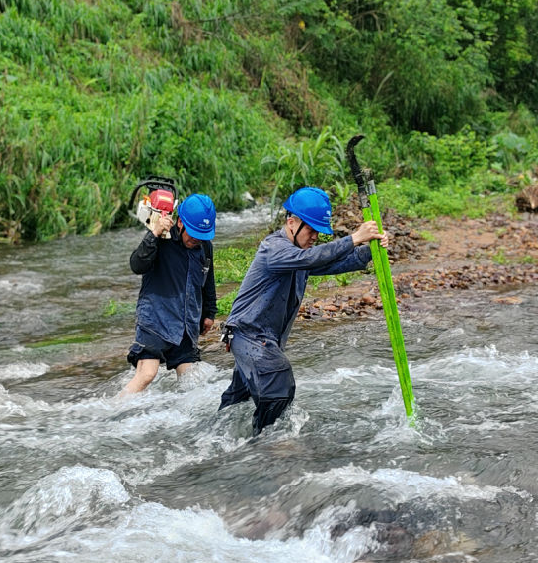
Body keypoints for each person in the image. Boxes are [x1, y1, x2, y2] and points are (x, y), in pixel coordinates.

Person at [218, 186, 388, 435]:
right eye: (311, 229)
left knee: (237, 400)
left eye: (318, 232)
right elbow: (312, 258)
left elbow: (331, 262)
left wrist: (370, 250)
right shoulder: (273, 250)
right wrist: (354, 238)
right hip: (248, 335)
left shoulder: (300, 255)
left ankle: (219, 440)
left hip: (264, 340)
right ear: (291, 223)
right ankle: (264, 446)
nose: (314, 237)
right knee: (278, 384)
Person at [122, 193, 217, 394]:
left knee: (193, 383)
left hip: (185, 324)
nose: (196, 240)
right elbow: (136, 265)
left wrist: (209, 313)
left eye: (202, 236)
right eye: (193, 234)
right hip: (155, 318)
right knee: (147, 374)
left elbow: (208, 279)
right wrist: (153, 234)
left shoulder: (204, 246)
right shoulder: (161, 237)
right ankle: (111, 413)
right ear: (180, 222)